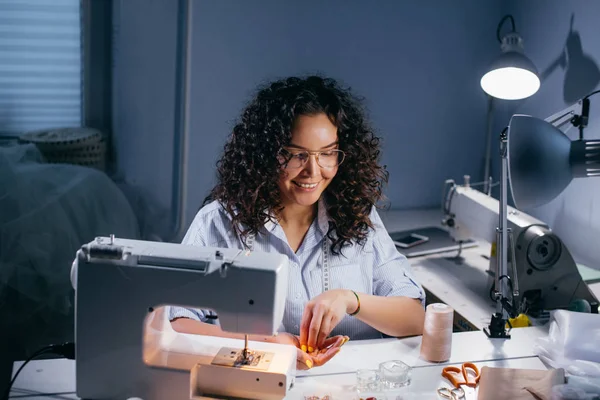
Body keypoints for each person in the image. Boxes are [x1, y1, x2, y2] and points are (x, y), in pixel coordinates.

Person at [168, 75, 426, 370]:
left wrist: (351, 300)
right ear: (265, 153)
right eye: (296, 155)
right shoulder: (217, 223)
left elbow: (415, 318)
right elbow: (178, 325)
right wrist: (266, 344)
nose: (313, 171)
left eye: (327, 153)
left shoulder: (357, 216)